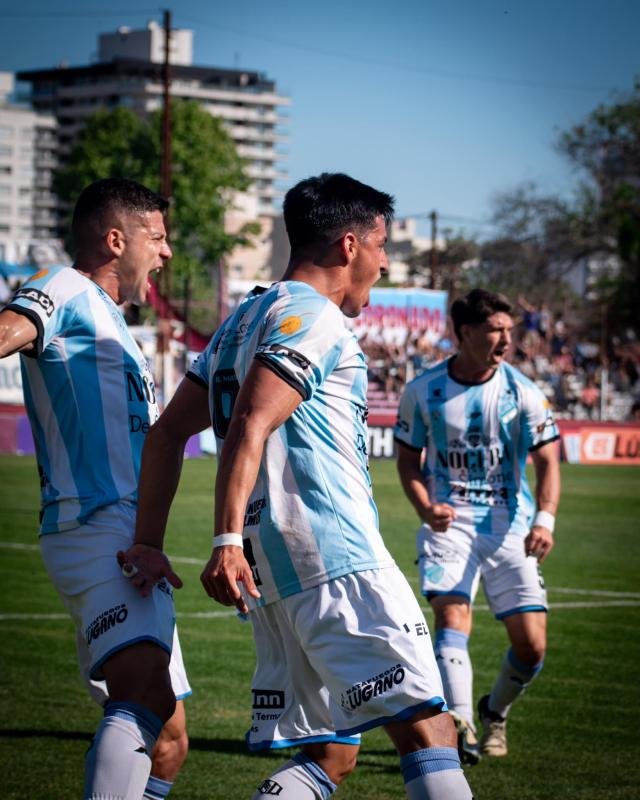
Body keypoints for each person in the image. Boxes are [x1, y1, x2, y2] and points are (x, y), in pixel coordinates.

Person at [119, 172, 473, 799]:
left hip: (276, 576)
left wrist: (151, 541)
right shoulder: (314, 316)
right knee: (430, 731)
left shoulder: (243, 319)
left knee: (333, 753)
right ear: (348, 245)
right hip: (335, 561)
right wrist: (224, 540)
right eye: (381, 246)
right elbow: (252, 421)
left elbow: (167, 432)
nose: (385, 263)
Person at [0, 177, 190, 800]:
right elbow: (7, 331)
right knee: (145, 695)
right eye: (156, 238)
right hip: (95, 528)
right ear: (115, 240)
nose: (166, 252)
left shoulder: (112, 320)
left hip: (131, 537)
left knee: (170, 740)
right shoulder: (64, 286)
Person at [394, 288, 561, 764]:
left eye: (510, 330)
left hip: (512, 528)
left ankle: (495, 712)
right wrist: (426, 507)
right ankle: (462, 724)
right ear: (465, 332)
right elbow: (407, 461)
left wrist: (545, 520)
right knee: (452, 617)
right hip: (449, 527)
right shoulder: (422, 391)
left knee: (531, 647)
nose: (507, 339)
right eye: (496, 330)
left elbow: (548, 462)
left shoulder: (523, 392)